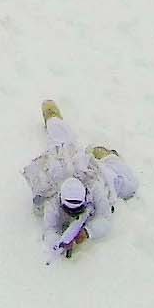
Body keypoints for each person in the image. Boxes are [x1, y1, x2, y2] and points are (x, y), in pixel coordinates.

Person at [26, 100, 138, 262]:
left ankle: (104, 155)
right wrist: (59, 241)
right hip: (64, 167)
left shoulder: (96, 186)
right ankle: (52, 116)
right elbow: (50, 228)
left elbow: (104, 218)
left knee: (130, 185)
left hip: (96, 171)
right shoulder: (51, 199)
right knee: (60, 139)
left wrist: (87, 232)